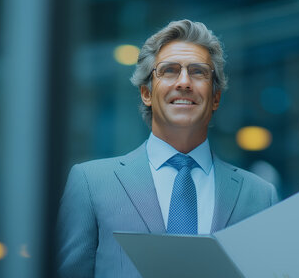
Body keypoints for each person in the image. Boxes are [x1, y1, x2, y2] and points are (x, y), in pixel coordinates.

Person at [57, 19, 278, 278]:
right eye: (170, 70)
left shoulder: (260, 195)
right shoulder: (91, 184)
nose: (184, 82)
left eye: (198, 72)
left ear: (215, 97)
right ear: (146, 93)